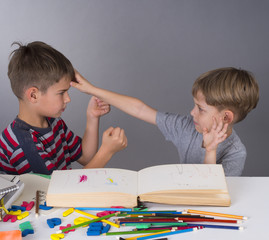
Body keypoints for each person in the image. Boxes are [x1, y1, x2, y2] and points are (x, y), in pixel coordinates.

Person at [71, 68, 259, 176]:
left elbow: (212, 193)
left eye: (200, 109)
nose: (192, 112)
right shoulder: (187, 127)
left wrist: (210, 151)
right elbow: (140, 109)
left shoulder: (235, 153)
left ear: (226, 118)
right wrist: (92, 90)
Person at [0, 41, 127, 175]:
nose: (68, 99)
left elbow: (86, 157)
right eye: (61, 93)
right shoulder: (22, 145)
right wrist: (106, 152)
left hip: (59, 194)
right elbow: (58, 192)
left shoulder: (54, 123)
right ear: (33, 95)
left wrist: (92, 116)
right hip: (51, 195)